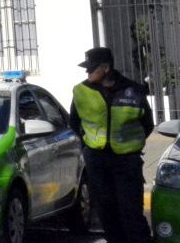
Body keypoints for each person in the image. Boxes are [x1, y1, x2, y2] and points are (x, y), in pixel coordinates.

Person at [69, 47, 153, 243]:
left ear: (105, 68)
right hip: (97, 162)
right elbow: (74, 123)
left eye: (91, 68)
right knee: (107, 215)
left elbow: (147, 124)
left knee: (131, 214)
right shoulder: (81, 91)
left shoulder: (133, 90)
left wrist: (129, 145)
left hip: (127, 163)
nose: (87, 72)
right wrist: (87, 148)